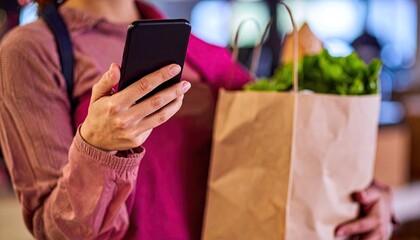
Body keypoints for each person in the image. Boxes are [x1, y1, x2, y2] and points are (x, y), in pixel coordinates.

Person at [0, 0, 395, 239]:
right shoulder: (32, 51)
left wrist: (365, 198)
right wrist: (98, 147)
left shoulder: (199, 49)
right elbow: (55, 230)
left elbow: (281, 145)